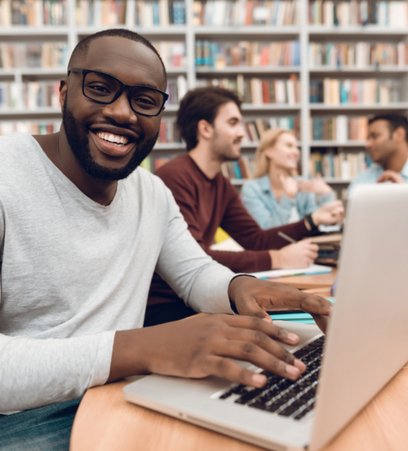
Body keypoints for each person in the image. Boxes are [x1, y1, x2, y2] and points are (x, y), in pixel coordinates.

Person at [0, 29, 333, 451]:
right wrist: (139, 348)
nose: (122, 113)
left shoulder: (151, 193)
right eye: (100, 89)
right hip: (24, 416)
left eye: (145, 101)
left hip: (123, 389)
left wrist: (239, 286)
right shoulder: (6, 173)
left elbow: (194, 273)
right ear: (63, 93)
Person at [145, 86, 342, 327]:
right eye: (233, 123)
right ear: (205, 128)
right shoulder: (175, 177)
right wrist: (276, 258)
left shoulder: (220, 184)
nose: (242, 133)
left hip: (199, 300)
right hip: (167, 308)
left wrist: (312, 220)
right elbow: (196, 259)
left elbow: (253, 238)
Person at [241, 128, 338, 229]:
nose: (296, 152)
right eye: (289, 146)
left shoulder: (303, 187)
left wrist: (327, 194)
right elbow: (266, 233)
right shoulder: (252, 189)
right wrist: (288, 198)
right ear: (269, 151)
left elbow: (317, 226)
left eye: (296, 147)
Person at [348, 113, 408, 196]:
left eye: (375, 136)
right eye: (368, 139)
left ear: (399, 135)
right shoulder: (362, 181)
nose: (368, 145)